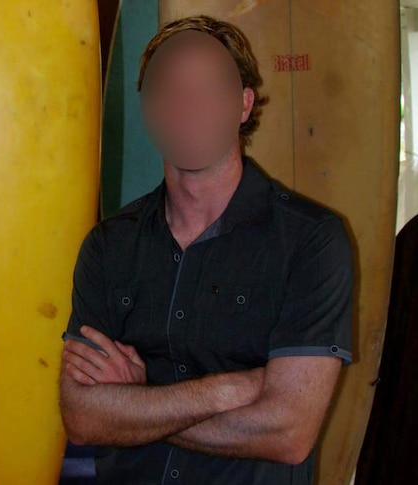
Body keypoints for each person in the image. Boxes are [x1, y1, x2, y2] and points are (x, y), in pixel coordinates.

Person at [60, 15, 353, 484]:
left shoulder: (312, 241)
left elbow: (289, 432)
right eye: (167, 89)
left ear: (243, 104)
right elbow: (83, 416)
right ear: (146, 108)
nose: (186, 106)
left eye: (207, 88)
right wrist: (230, 390)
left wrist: (139, 399)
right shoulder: (108, 245)